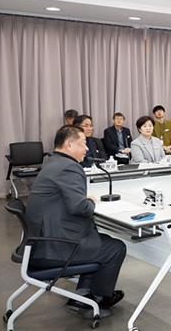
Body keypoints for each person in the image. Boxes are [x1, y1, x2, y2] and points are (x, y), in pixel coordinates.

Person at [25, 125, 126, 319]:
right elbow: (79, 208)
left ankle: (81, 296)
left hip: (40, 242)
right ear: (69, 145)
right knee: (115, 248)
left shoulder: (52, 163)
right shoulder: (69, 167)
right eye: (83, 143)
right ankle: (97, 300)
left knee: (98, 238)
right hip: (55, 248)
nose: (87, 148)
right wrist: (90, 201)